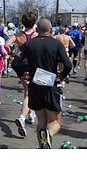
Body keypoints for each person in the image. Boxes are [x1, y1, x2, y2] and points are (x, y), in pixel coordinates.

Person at [12, 18, 72, 149]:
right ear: (50, 30)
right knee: (55, 121)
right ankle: (49, 135)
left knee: (41, 121)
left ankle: (43, 146)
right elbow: (68, 65)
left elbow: (15, 63)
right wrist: (61, 76)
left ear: (37, 30)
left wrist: (22, 75)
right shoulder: (57, 44)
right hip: (51, 86)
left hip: (35, 85)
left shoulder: (28, 45)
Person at [5, 12, 38, 137]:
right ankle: (22, 117)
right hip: (33, 66)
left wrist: (12, 53)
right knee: (29, 93)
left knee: (27, 91)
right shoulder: (36, 35)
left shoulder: (18, 35)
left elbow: (6, 45)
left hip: (21, 65)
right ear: (34, 23)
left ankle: (30, 114)